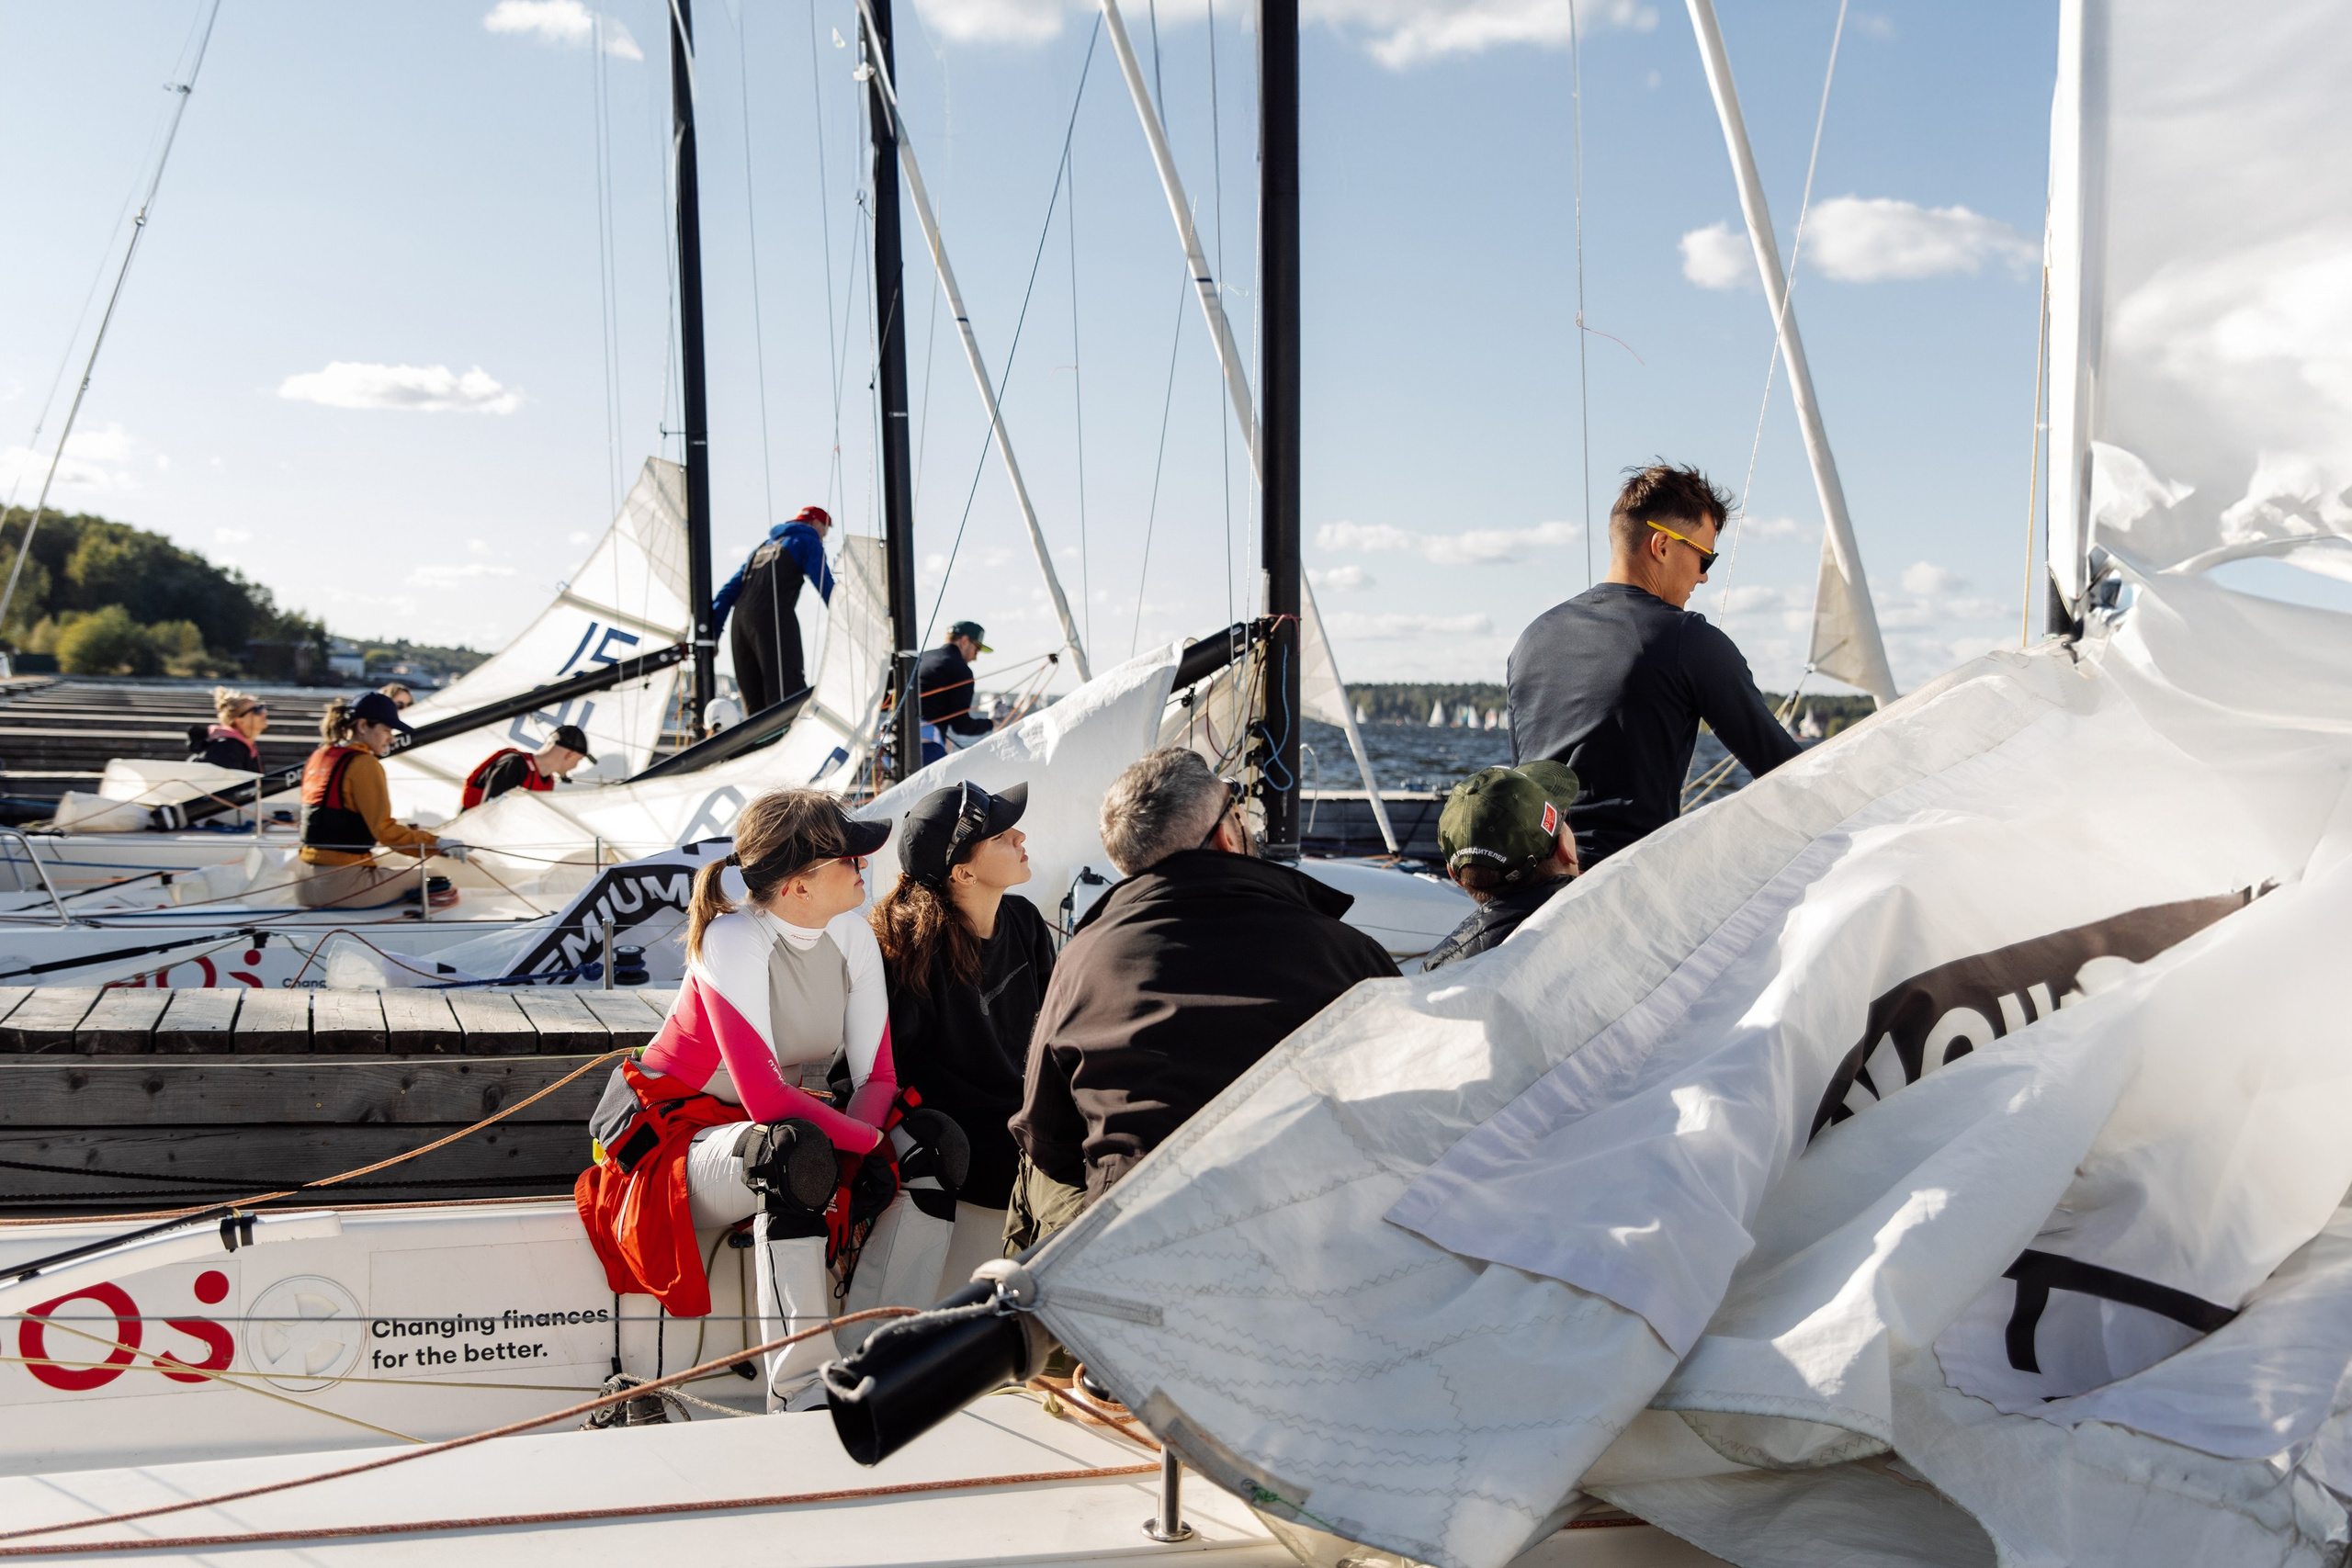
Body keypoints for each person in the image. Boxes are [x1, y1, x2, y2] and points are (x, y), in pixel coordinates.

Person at [575, 790, 903, 1411]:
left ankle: (886, 1354)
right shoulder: (731, 938)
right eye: (848, 859)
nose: (862, 868)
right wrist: (861, 1144)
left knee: (932, 1147)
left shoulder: (852, 936)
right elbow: (765, 1097)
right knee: (794, 1153)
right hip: (671, 1148)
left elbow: (878, 1079)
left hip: (756, 1129)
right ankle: (803, 1391)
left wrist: (869, 1149)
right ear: (798, 887)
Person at [1004, 749, 1397, 1251]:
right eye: (1236, 811)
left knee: (1032, 1172)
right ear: (1227, 835)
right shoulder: (1347, 954)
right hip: (1304, 1239)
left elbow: (1046, 1136)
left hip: (1137, 1247)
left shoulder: (1082, 960)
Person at [1507, 462, 1802, 869]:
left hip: (1533, 882)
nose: (1703, 578)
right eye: (1705, 558)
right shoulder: (1688, 640)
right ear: (1662, 545)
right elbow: (1787, 769)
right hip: (1621, 885)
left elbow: (1524, 775)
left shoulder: (1532, 638)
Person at [869, 781, 1054, 1297]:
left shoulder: (1024, 921)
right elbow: (888, 1071)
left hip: (1022, 1119)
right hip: (970, 1139)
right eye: (1000, 834)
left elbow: (1053, 1038)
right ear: (963, 873)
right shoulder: (912, 951)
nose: (1019, 835)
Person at [296, 691, 452, 909]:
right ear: (362, 726)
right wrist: (438, 844)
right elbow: (385, 832)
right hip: (341, 888)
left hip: (303, 883)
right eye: (387, 730)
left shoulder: (320, 755)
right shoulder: (365, 764)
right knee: (437, 877)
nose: (392, 738)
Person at [1420, 762, 1582, 973]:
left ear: (1455, 876)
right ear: (1566, 848)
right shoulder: (1617, 915)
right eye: (1564, 817)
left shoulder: (1438, 970)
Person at [714, 505, 833, 716]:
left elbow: (727, 593)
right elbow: (826, 585)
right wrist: (849, 623)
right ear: (816, 523)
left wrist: (713, 634)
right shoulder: (807, 540)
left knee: (755, 709)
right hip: (772, 621)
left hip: (740, 625)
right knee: (786, 700)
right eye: (826, 529)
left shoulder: (762, 548)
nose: (824, 536)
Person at [915, 621, 996, 766]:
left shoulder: (921, 658)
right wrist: (991, 723)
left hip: (889, 744)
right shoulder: (961, 670)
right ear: (964, 641)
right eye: (976, 650)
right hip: (923, 750)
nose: (975, 657)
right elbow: (961, 726)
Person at [459, 724, 595, 809]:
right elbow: (490, 811)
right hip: (470, 845)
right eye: (579, 760)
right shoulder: (514, 763)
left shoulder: (548, 782)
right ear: (570, 755)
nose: (575, 766)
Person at [188, 687, 268, 773]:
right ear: (239, 720)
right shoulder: (226, 748)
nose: (264, 713)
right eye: (257, 710)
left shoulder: (241, 746)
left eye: (263, 708)